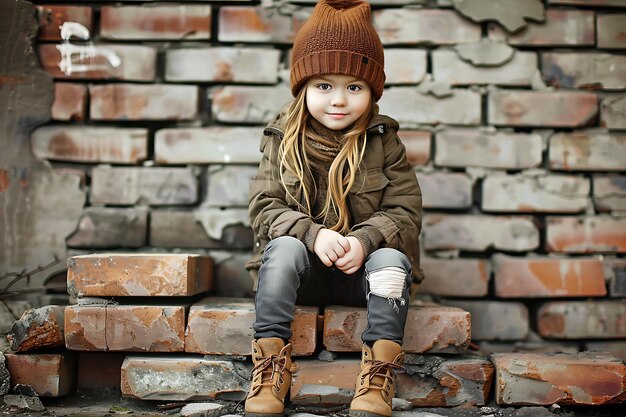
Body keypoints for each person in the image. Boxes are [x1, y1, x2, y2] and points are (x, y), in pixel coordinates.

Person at [244, 0, 423, 416]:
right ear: (303, 88)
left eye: (354, 87)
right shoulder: (280, 138)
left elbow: (405, 210)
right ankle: (271, 368)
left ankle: (378, 374)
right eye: (324, 86)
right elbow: (263, 205)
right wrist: (312, 233)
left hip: (360, 277)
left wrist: (365, 240)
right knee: (284, 248)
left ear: (371, 91)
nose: (338, 100)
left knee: (393, 260)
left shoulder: (384, 141)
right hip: (300, 275)